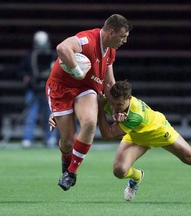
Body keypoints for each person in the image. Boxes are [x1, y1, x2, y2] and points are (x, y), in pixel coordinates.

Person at [45, 14, 133, 191]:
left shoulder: (110, 50)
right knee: (68, 141)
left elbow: (109, 83)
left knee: (90, 122)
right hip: (60, 88)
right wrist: (76, 70)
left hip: (86, 88)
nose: (124, 41)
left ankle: (71, 172)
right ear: (110, 32)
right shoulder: (87, 40)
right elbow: (62, 47)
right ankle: (66, 163)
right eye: (122, 37)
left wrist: (116, 109)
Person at [20, 31, 59, 148]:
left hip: (48, 91)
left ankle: (51, 138)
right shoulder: (29, 56)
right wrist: (27, 77)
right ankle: (27, 138)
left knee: (51, 116)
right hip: (33, 89)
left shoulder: (53, 56)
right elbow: (21, 70)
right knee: (30, 115)